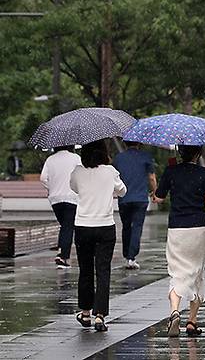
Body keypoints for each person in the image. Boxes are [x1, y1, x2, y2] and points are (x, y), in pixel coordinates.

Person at [152, 145, 205, 338]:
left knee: (177, 272)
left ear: (180, 152)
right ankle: (192, 321)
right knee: (197, 271)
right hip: (198, 227)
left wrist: (156, 192)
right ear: (198, 153)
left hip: (177, 228)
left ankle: (174, 311)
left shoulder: (171, 171)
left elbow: (159, 197)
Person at [70, 140, 126, 332]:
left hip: (83, 226)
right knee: (103, 270)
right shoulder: (110, 171)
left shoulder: (77, 171)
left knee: (85, 270)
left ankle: (85, 313)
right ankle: (99, 316)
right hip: (105, 226)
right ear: (104, 152)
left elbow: (74, 188)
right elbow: (123, 190)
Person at [113, 141, 157, 270]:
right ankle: (131, 257)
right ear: (139, 143)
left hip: (124, 198)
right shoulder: (145, 157)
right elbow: (152, 177)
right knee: (137, 226)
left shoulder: (118, 158)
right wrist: (155, 192)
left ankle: (127, 255)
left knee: (126, 227)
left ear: (125, 144)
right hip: (140, 199)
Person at [40, 145, 81, 269]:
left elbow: (43, 178)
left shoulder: (50, 159)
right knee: (68, 227)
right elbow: (81, 175)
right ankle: (63, 256)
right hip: (71, 197)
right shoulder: (75, 158)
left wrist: (51, 187)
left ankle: (62, 250)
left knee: (65, 226)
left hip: (55, 199)